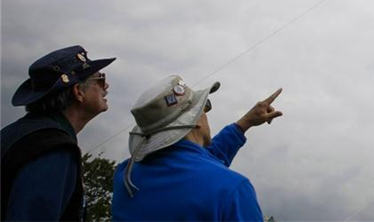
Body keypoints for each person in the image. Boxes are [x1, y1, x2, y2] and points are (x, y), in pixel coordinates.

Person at [111, 75, 282, 221]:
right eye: (204, 108)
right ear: (195, 121)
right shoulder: (233, 190)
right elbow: (203, 172)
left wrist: (244, 123)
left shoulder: (125, 175)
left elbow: (194, 167)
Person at [1, 45, 115, 222]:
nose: (106, 86)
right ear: (78, 92)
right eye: (100, 79)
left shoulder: (16, 134)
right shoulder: (51, 149)